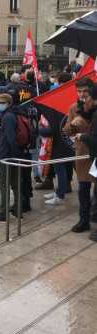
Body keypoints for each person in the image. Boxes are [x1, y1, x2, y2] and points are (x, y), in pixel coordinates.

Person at [0, 94, 30, 221]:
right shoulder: (17, 113)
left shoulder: (7, 117)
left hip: (7, 155)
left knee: (4, 184)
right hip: (16, 153)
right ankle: (18, 210)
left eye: (0, 102)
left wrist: (13, 153)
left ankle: (4, 212)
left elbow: (10, 138)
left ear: (8, 103)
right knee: (16, 183)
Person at [65, 79, 95, 233]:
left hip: (95, 152)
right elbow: (66, 131)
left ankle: (94, 217)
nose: (82, 94)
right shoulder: (73, 108)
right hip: (82, 153)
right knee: (83, 188)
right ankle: (84, 220)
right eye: (79, 91)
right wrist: (73, 125)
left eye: (85, 91)